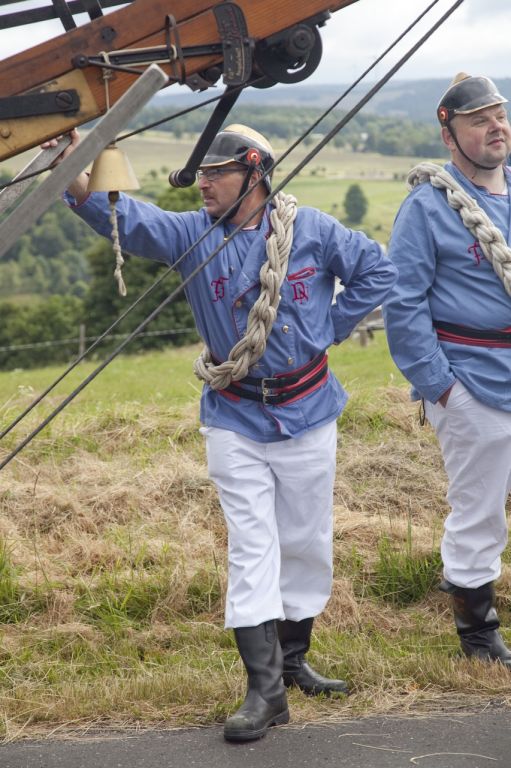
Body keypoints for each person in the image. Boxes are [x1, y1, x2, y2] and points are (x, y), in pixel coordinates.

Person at [49, 123, 397, 740]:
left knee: (307, 541)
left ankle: (293, 661)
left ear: (254, 172)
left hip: (309, 410)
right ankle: (265, 691)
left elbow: (377, 271)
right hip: (234, 416)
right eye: (201, 174)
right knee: (252, 544)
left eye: (217, 173)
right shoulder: (192, 235)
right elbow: (127, 219)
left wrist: (329, 327)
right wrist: (70, 165)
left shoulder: (313, 229)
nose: (203, 183)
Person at [383, 73, 511, 667]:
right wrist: (443, 388)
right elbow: (403, 304)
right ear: (449, 134)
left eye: (499, 115)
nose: (496, 127)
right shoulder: (427, 207)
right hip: (472, 379)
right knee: (479, 508)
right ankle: (478, 635)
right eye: (479, 120)